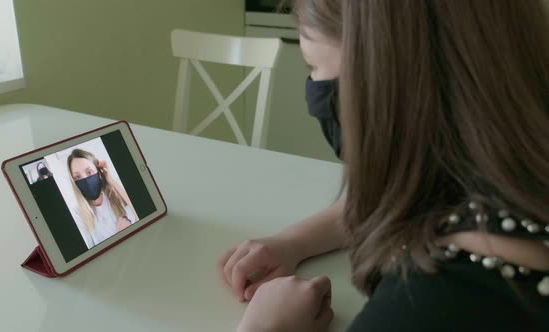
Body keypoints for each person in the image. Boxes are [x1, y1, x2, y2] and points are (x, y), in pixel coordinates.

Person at [217, 0, 549, 331]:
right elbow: (404, 193)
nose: (314, 87)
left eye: (313, 68)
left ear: (387, 85)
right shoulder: (508, 166)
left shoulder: (428, 307)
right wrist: (293, 242)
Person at [68, 149, 138, 248]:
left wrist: (111, 181)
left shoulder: (118, 193)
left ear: (99, 171)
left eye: (89, 172)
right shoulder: (77, 212)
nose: (85, 180)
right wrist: (120, 236)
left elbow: (143, 213)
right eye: (77, 177)